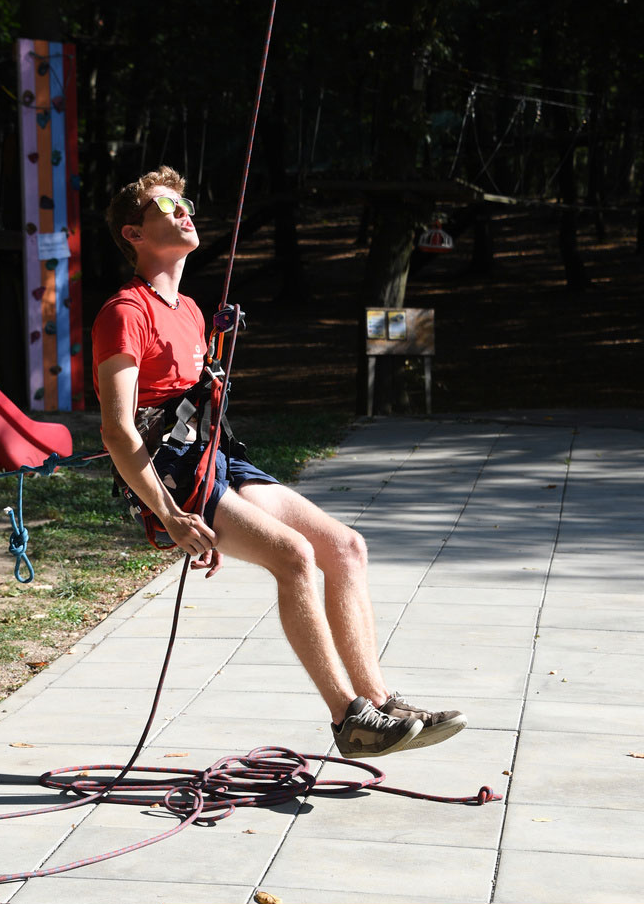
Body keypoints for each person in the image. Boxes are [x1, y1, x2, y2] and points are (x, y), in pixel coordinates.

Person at [92, 166, 466, 758]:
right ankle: (351, 721)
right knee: (294, 557)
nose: (184, 209)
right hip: (178, 475)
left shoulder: (189, 309)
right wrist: (166, 514)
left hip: (220, 457)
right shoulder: (124, 312)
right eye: (167, 205)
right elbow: (116, 429)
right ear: (134, 234)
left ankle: (380, 701)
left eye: (186, 200)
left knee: (345, 547)